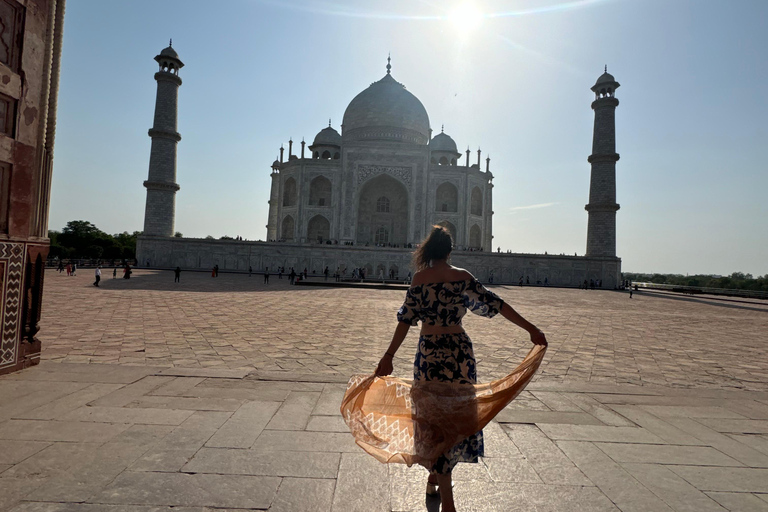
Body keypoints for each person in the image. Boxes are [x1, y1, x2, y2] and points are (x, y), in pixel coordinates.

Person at [374, 226, 547, 512]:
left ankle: (446, 500)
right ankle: (438, 483)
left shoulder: (420, 279)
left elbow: (405, 320)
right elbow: (498, 305)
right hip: (458, 352)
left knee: (432, 418)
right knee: (452, 418)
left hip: (430, 352)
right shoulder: (462, 277)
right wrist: (531, 328)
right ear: (450, 251)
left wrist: (388, 355)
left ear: (427, 251)